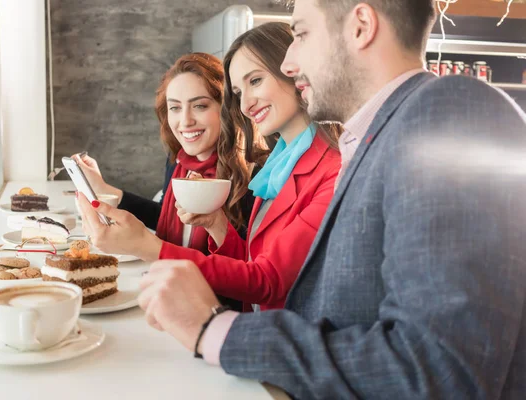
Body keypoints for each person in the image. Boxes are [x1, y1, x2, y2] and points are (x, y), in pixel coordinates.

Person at [134, 0, 526, 399]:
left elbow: (439, 372)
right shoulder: (375, 140)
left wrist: (214, 329)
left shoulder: (449, 115)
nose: (288, 62)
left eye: (301, 34)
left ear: (360, 26)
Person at [78, 22, 342, 311]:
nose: (245, 106)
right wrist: (218, 226)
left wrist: (148, 246)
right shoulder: (278, 168)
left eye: (255, 81)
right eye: (239, 93)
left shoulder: (332, 172)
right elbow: (250, 261)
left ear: (294, 70)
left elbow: (267, 281)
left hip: (272, 338)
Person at [73, 52, 259, 255]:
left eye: (199, 106)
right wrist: (104, 188)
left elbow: (246, 264)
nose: (185, 121)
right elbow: (164, 216)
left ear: (226, 109)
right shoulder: (178, 163)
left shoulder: (252, 174)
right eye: (175, 108)